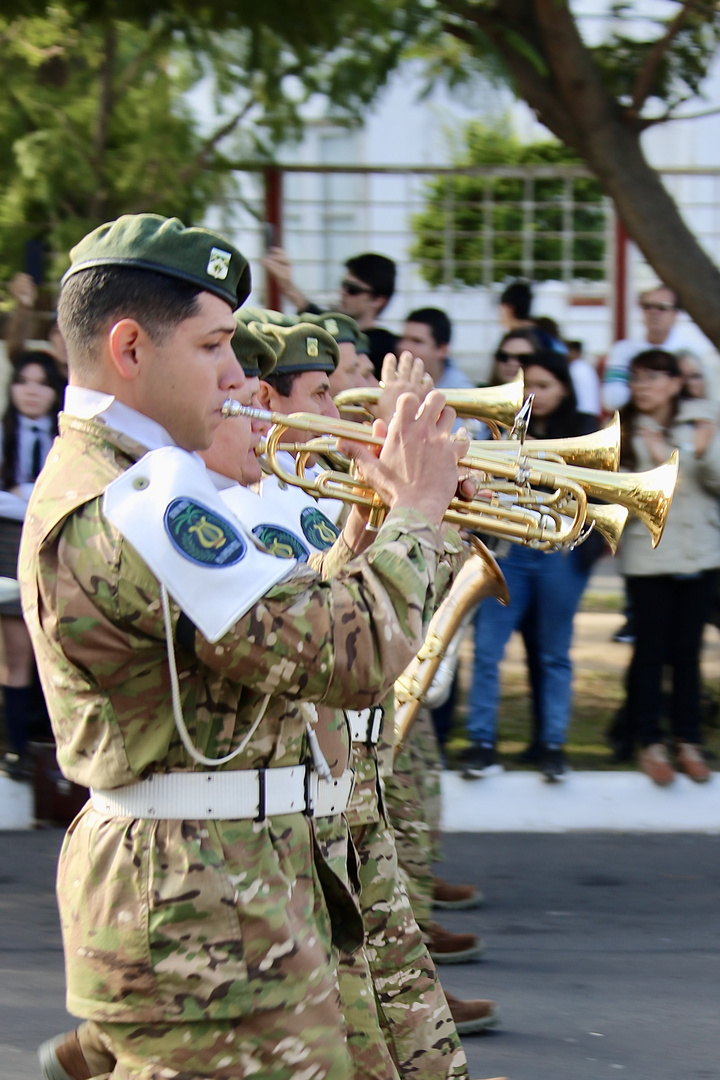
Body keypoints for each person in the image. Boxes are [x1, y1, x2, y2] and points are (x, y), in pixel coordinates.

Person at [19, 213, 469, 1080]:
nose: (236, 375)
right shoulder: (142, 504)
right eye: (215, 345)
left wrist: (387, 514)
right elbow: (355, 658)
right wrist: (418, 512)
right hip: (200, 912)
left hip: (227, 892)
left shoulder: (152, 484)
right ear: (130, 349)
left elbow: (306, 633)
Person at [462, 351, 601, 782]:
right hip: (509, 551)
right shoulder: (500, 427)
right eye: (530, 386)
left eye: (547, 385)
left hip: (557, 553)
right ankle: (482, 742)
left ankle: (553, 747)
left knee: (554, 654)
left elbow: (599, 498)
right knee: (487, 649)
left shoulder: (581, 434)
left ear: (565, 389)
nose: (536, 396)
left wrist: (583, 552)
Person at [617, 348, 720, 785]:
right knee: (651, 653)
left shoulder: (701, 421)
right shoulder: (622, 428)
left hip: (701, 553)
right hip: (649, 558)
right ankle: (650, 741)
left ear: (676, 383)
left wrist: (700, 452)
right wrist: (660, 458)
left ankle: (689, 741)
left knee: (688, 654)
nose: (642, 386)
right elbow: (623, 492)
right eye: (636, 378)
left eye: (653, 378)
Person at [0, 351, 63, 780]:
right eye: (24, 381)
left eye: (41, 382)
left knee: (57, 641)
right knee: (16, 650)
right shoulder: (3, 434)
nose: (31, 391)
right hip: (8, 542)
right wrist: (24, 498)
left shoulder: (66, 436)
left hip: (56, 543)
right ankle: (18, 749)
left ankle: (58, 746)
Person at [262, 247, 398, 376]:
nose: (343, 292)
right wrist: (286, 283)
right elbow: (309, 310)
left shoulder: (387, 346)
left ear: (378, 300)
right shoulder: (331, 327)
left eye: (353, 289)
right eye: (343, 285)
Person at [601, 284, 701, 413]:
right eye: (647, 307)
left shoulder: (690, 353)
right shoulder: (624, 351)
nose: (653, 313)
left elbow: (698, 397)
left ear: (675, 314)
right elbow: (611, 399)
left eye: (661, 308)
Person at [565, 339, 601, 421]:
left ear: (574, 351)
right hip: (593, 410)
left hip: (580, 411)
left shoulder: (574, 367)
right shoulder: (587, 367)